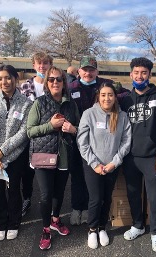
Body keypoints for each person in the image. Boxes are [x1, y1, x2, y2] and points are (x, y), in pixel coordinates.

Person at [120, 57, 156, 253]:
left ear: (149, 75)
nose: (139, 76)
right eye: (136, 72)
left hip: (152, 156)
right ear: (131, 74)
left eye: (144, 73)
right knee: (133, 193)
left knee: (154, 196)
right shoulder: (126, 100)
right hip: (130, 156)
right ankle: (138, 225)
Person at [27, 66, 80, 251]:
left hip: (64, 154)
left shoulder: (71, 104)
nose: (55, 82)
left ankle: (56, 220)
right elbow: (30, 131)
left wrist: (73, 129)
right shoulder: (39, 103)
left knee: (59, 192)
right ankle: (45, 229)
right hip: (44, 154)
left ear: (64, 82)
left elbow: (79, 128)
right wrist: (50, 125)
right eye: (51, 80)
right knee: (45, 194)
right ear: (47, 83)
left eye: (58, 79)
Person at [0, 64, 32, 242]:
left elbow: (24, 132)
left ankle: (14, 223)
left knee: (14, 190)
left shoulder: (26, 104)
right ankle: (0, 223)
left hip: (15, 156)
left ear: (16, 79)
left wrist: (3, 151)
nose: (4, 82)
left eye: (8, 78)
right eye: (0, 78)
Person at [77, 82, 131, 249]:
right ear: (98, 97)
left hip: (112, 166)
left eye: (110, 95)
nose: (107, 98)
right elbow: (82, 142)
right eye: (103, 95)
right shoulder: (89, 114)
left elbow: (126, 141)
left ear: (115, 97)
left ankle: (102, 227)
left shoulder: (121, 116)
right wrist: (94, 164)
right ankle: (92, 229)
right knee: (95, 198)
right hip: (93, 165)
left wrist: (115, 162)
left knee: (107, 197)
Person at [67, 56, 114, 226]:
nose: (88, 73)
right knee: (77, 174)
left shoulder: (104, 85)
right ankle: (76, 207)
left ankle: (89, 208)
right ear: (78, 71)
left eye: (91, 69)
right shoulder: (71, 88)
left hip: (99, 139)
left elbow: (122, 94)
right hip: (75, 139)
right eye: (85, 69)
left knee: (93, 175)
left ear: (97, 71)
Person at [19, 52, 53, 217]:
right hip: (30, 135)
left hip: (49, 136)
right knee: (28, 172)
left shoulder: (53, 84)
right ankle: (27, 199)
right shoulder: (26, 86)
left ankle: (49, 204)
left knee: (48, 173)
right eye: (39, 63)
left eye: (45, 63)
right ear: (34, 65)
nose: (42, 66)